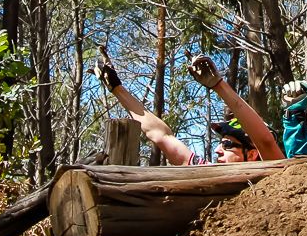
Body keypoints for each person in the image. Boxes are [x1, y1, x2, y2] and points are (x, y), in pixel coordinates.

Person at [97, 55, 281, 165]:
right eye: (220, 143)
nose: (217, 150)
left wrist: (219, 86)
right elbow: (162, 136)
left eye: (227, 145)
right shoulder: (209, 172)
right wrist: (117, 89)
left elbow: (265, 142)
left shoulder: (276, 175)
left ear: (251, 154)